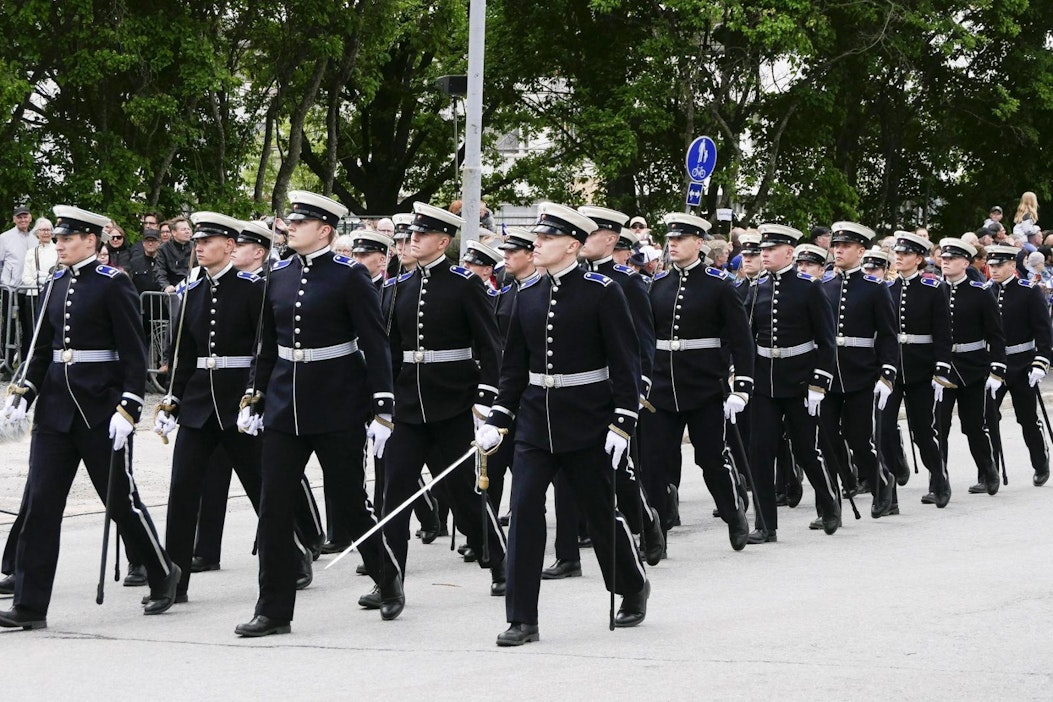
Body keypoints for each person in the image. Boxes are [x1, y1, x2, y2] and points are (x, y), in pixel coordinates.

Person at [476, 202, 650, 647]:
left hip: (588, 421)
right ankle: (522, 618)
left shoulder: (602, 291)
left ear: (572, 245)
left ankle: (631, 584)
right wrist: (499, 418)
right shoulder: (525, 294)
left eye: (546, 238)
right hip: (535, 422)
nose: (537, 244)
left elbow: (625, 361)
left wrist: (622, 422)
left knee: (599, 513)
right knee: (527, 512)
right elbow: (513, 367)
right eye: (537, 237)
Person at [0, 206, 180, 630]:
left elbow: (135, 354)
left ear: (91, 241)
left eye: (67, 239)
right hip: (57, 411)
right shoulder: (54, 282)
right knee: (41, 504)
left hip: (102, 409)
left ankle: (161, 571)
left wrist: (130, 406)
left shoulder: (113, 284)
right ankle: (30, 605)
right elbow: (41, 348)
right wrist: (25, 391)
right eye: (57, 239)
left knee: (121, 501)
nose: (58, 245)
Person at [233, 192, 402, 637]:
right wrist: (254, 394)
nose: (289, 227)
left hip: (337, 403)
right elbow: (266, 343)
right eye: (289, 221)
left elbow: (375, 341)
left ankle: (387, 577)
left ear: (324, 229)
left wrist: (383, 405)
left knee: (348, 503)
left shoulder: (350, 276)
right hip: (284, 403)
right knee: (274, 507)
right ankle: (273, 609)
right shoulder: (279, 273)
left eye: (299, 222)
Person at [153, 212, 309, 604]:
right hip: (199, 404)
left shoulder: (253, 288)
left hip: (240, 401)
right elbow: (183, 353)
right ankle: (175, 580)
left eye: (208, 242)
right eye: (197, 242)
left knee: (262, 488)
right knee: (183, 490)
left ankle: (293, 553)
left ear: (230, 246)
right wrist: (171, 401)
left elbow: (265, 347)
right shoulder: (191, 292)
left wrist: (258, 397)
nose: (199, 248)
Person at [382, 202, 507, 599]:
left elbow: (490, 346)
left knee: (465, 495)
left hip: (452, 404)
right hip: (408, 407)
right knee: (394, 494)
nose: (411, 241)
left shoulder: (463, 283)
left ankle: (501, 562)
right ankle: (390, 582)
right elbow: (391, 349)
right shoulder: (398, 284)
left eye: (421, 235)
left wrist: (487, 398)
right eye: (410, 235)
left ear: (442, 240)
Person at [639, 212, 753, 552]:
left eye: (680, 239)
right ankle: (657, 531)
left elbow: (742, 340)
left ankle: (734, 512)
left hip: (704, 387)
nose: (672, 244)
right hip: (661, 388)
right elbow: (645, 340)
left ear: (699, 243)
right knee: (654, 462)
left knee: (711, 459)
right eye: (669, 239)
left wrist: (742, 387)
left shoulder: (719, 286)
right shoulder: (657, 286)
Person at [746, 223, 840, 543]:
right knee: (760, 452)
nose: (765, 255)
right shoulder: (756, 286)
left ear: (789, 252)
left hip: (800, 380)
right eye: (763, 250)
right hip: (765, 382)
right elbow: (747, 335)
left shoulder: (808, 286)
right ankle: (765, 524)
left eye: (771, 250)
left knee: (806, 451)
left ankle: (828, 504)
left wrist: (819, 382)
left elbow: (827, 341)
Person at [818, 222, 898, 521]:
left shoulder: (874, 288)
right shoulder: (823, 286)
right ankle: (831, 505)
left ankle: (882, 484)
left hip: (861, 374)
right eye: (835, 246)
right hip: (827, 377)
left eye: (845, 246)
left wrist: (887, 374)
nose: (838, 251)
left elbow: (888, 334)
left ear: (861, 251)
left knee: (859, 439)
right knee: (825, 441)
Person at [879, 231, 954, 509]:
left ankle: (938, 478)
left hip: (922, 369)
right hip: (894, 370)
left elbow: (943, 333)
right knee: (884, 428)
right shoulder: (887, 289)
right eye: (897, 253)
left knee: (923, 431)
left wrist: (941, 368)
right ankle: (890, 492)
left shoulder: (934, 288)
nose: (899, 257)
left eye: (906, 253)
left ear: (919, 258)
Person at [936, 238, 1005, 497]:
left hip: (973, 367)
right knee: (938, 426)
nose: (945, 262)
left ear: (965, 262)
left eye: (951, 259)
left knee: (973, 425)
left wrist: (997, 369)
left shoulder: (980, 292)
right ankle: (939, 481)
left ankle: (987, 470)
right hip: (942, 369)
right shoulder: (935, 290)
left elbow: (996, 335)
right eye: (943, 258)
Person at [985, 244, 1052, 487]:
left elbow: (1043, 331)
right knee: (987, 417)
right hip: (994, 366)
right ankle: (988, 470)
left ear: (1012, 266)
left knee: (1026, 418)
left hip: (1022, 364)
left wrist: (1040, 361)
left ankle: (1040, 460)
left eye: (999, 265)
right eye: (991, 265)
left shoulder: (1028, 291)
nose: (994, 270)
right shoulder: (985, 292)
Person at [1, 205, 34, 367]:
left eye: (25, 216)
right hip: (11, 289)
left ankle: (26, 363)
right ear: (14, 219)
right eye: (19, 217)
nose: (23, 220)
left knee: (29, 326)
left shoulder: (35, 237)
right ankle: (5, 362)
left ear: (30, 218)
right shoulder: (5, 238)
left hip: (29, 291)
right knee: (9, 327)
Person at [21, 218, 57, 298]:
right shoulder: (31, 252)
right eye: (43, 230)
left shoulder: (58, 250)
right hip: (33, 295)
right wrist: (39, 282)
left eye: (48, 230)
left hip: (53, 295)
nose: (46, 233)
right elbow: (25, 278)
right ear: (37, 233)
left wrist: (39, 277)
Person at [157, 216, 193, 292]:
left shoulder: (195, 247)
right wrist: (166, 286)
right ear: (174, 232)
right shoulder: (164, 249)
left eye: (188, 229)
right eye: (183, 229)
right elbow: (160, 271)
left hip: (193, 287)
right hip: (173, 290)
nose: (187, 231)